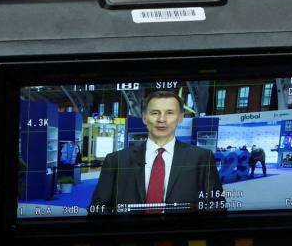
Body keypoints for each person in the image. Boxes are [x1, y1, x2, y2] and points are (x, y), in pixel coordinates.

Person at [89, 90, 223, 213]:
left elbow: (217, 206)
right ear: (144, 118)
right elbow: (97, 208)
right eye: (155, 113)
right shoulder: (116, 160)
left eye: (169, 113)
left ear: (180, 117)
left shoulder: (201, 158)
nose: (161, 120)